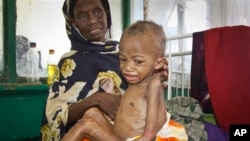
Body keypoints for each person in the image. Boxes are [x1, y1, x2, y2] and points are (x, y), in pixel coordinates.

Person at [40, 0, 168, 140]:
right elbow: (54, 115)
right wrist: (96, 100)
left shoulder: (127, 51)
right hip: (95, 131)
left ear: (106, 14)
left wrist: (157, 75)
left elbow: (142, 97)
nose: (93, 20)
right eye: (82, 16)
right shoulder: (68, 63)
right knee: (90, 115)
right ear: (73, 23)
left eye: (97, 12)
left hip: (131, 129)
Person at [61, 21, 188, 141]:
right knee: (91, 112)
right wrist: (111, 91)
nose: (128, 68)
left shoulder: (153, 84)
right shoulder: (136, 82)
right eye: (122, 59)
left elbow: (150, 133)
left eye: (138, 61)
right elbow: (131, 108)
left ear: (158, 63)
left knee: (86, 125)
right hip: (120, 136)